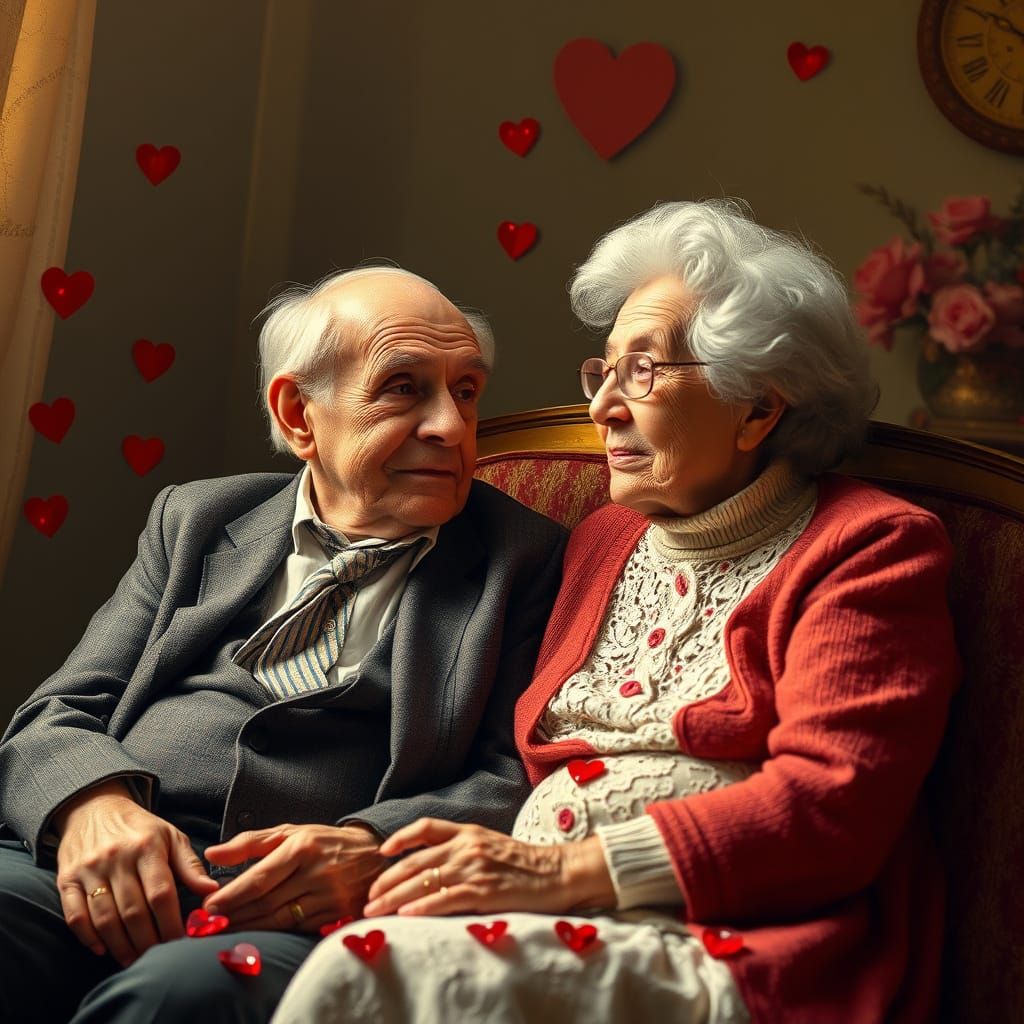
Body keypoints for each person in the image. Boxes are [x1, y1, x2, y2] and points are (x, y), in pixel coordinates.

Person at [273, 201, 960, 1024]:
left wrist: (555, 873)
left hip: (728, 945)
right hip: (536, 918)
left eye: (644, 372)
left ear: (757, 409)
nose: (604, 409)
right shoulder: (601, 538)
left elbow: (831, 808)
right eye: (603, 372)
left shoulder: (869, 546)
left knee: (359, 977)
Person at [0, 266, 567, 1022]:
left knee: (177, 998)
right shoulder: (197, 519)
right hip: (96, 860)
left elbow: (516, 777)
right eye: (404, 388)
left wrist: (370, 846)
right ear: (299, 412)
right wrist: (94, 804)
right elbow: (60, 710)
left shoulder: (527, 559)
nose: (452, 428)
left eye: (465, 390)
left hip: (298, 910)